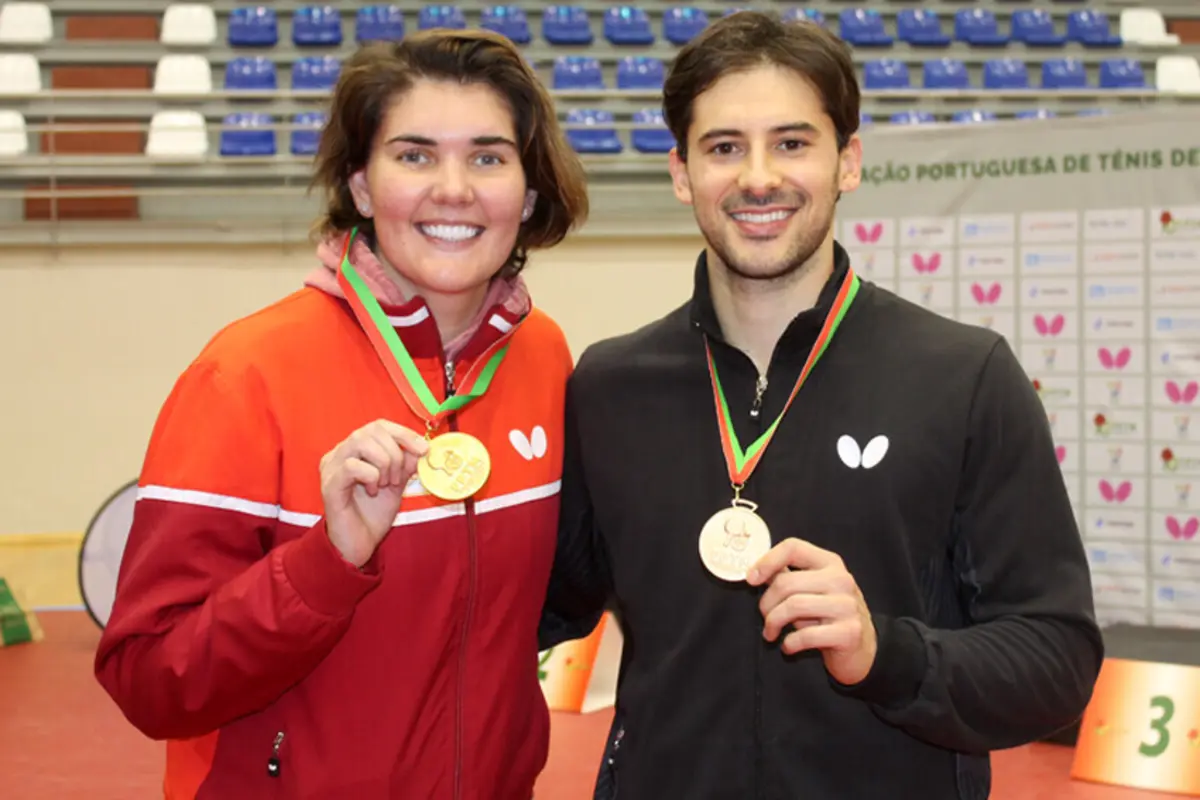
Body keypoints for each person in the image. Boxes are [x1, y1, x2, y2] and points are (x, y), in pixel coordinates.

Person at [541, 12, 1104, 799]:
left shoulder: (964, 376)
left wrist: (886, 655)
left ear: (848, 162)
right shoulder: (611, 386)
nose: (758, 177)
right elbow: (530, 608)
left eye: (792, 143)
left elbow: (1056, 660)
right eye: (724, 147)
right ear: (681, 172)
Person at [95, 29, 588, 799]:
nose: (453, 188)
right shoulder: (245, 374)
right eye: (414, 155)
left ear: (526, 195)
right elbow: (150, 680)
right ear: (361, 186)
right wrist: (326, 564)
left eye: (488, 157)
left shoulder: (544, 356)